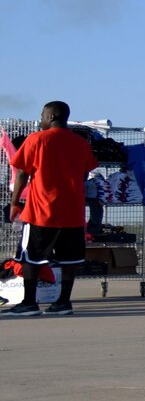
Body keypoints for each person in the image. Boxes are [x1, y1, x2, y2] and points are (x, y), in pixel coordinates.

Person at [4, 100, 96, 317]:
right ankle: (64, 302)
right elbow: (85, 172)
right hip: (72, 212)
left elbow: (21, 173)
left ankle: (29, 303)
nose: (41, 119)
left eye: (43, 115)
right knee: (69, 259)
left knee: (30, 257)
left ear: (52, 116)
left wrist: (15, 203)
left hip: (40, 211)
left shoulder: (35, 140)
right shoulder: (81, 143)